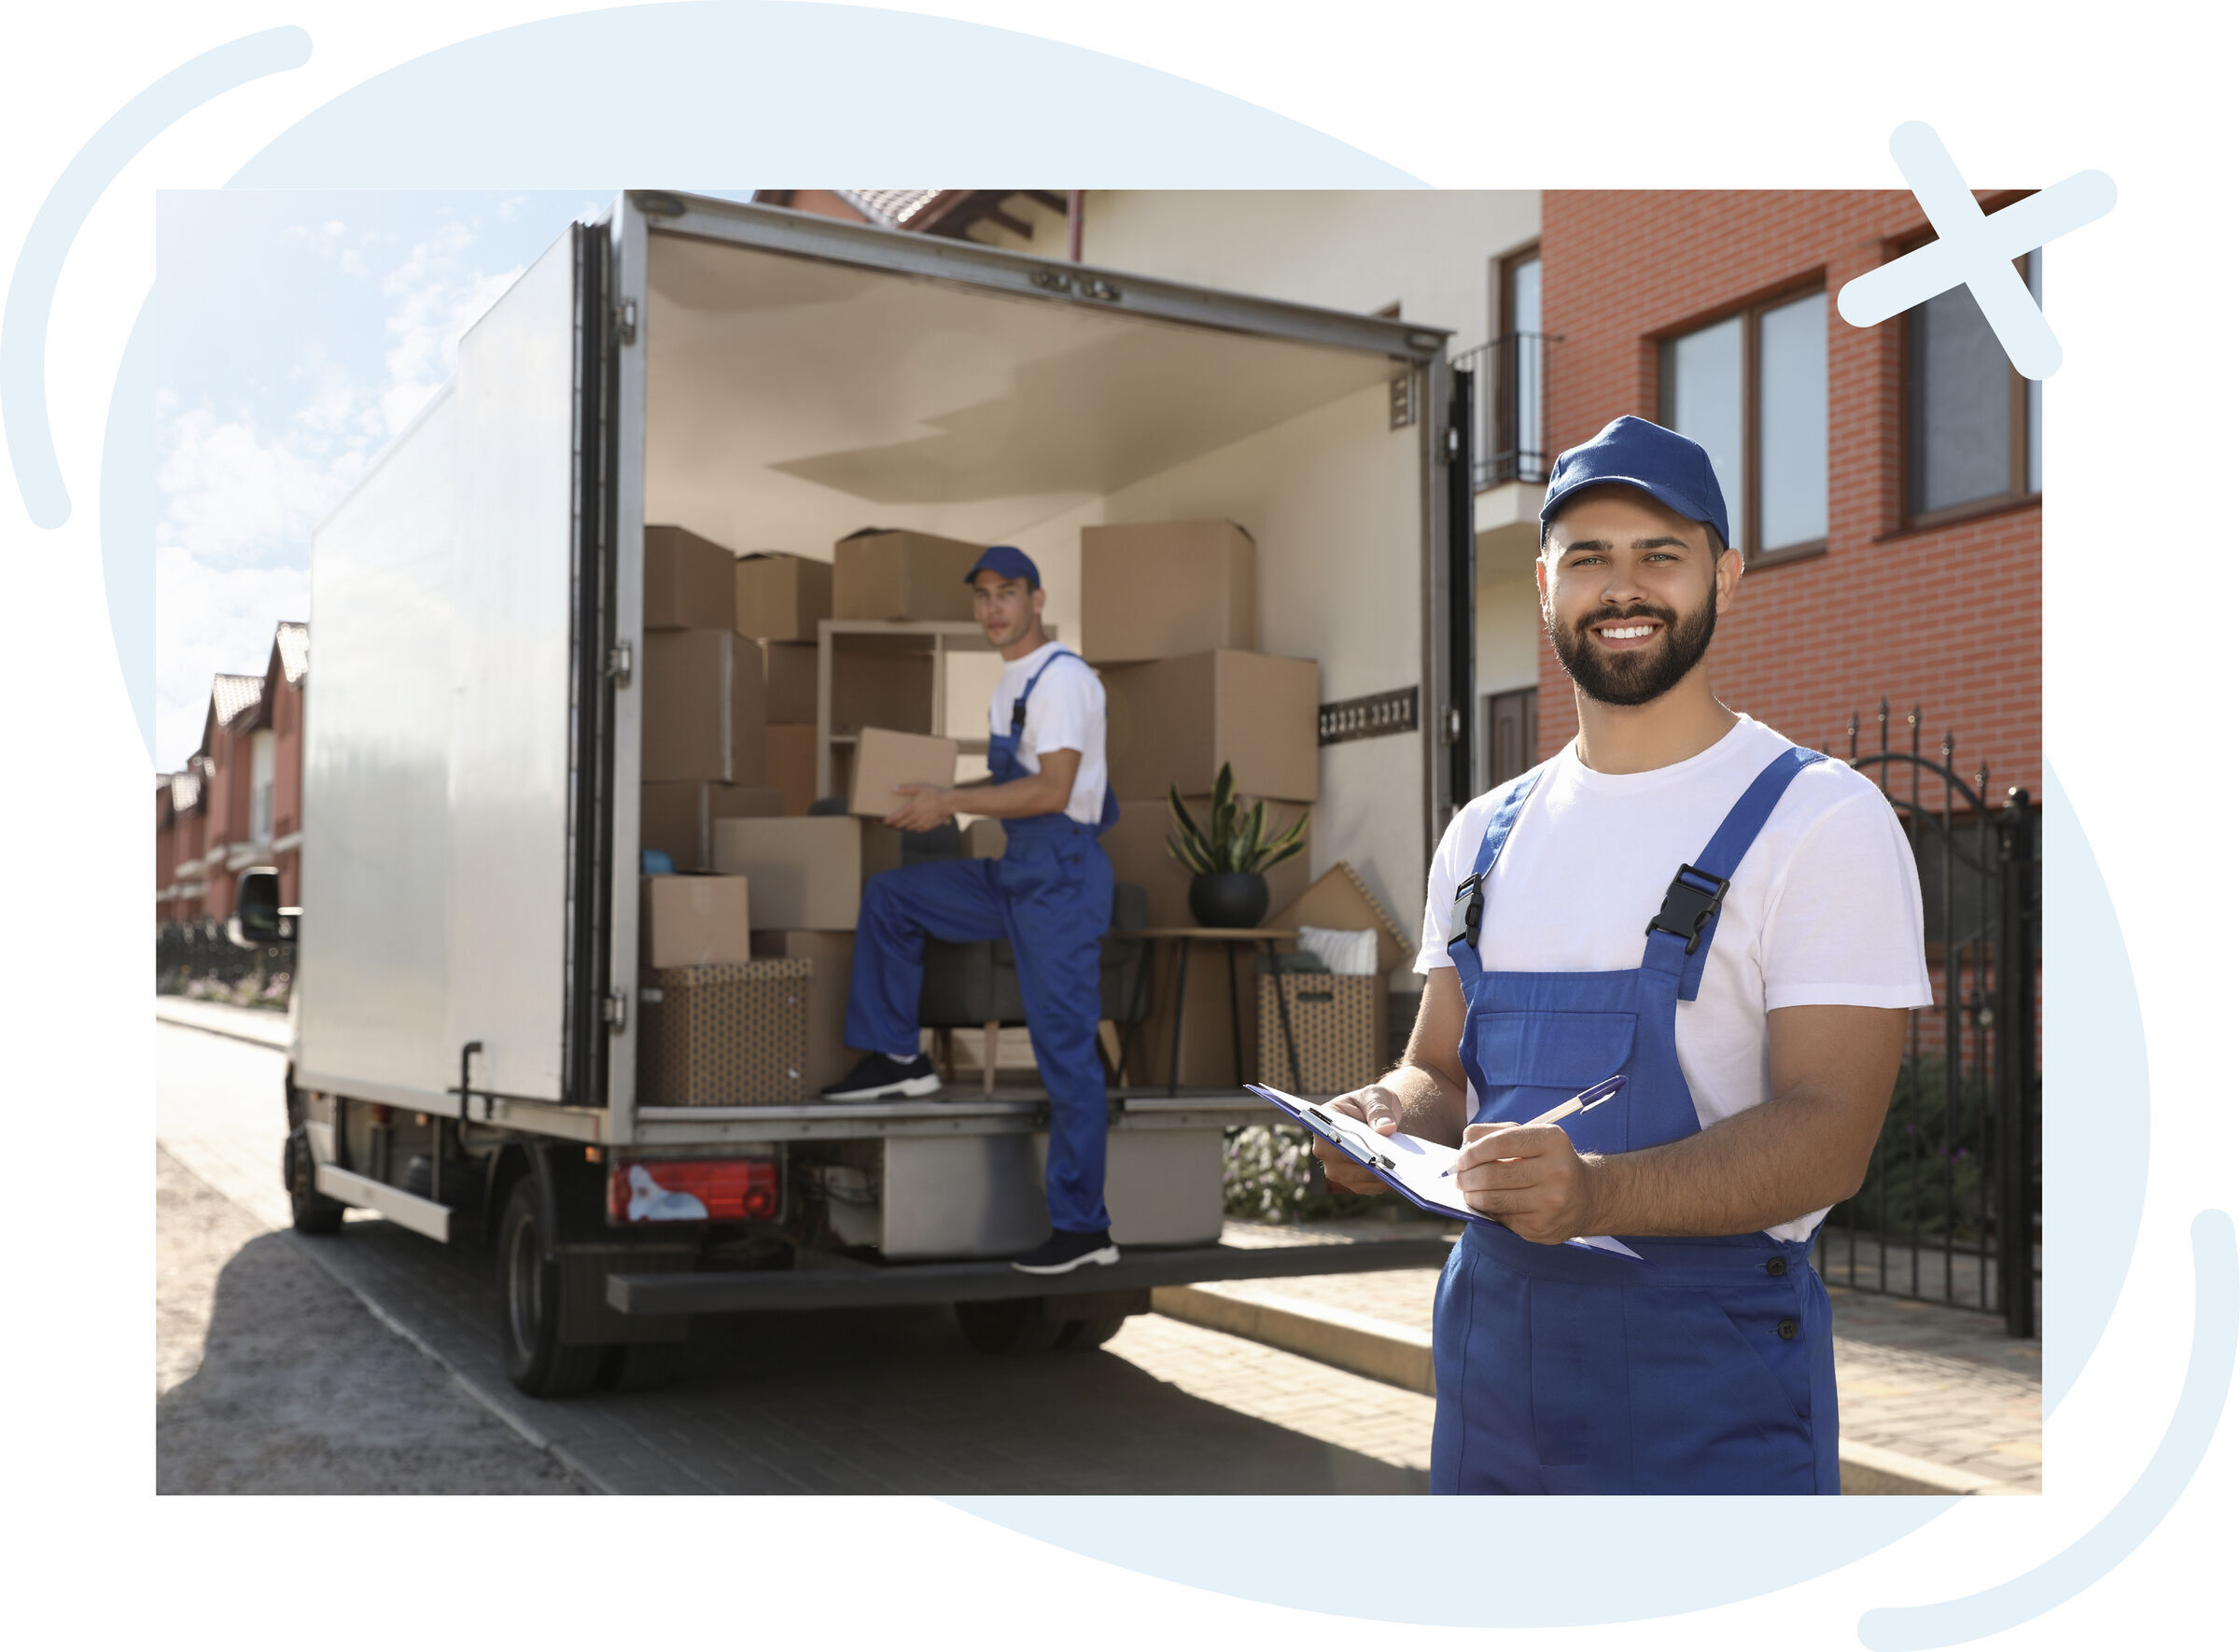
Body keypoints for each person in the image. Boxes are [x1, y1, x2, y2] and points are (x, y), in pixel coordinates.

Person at [1313, 415, 1932, 1493]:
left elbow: (1833, 1134)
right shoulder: (1483, 835)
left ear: (1725, 578)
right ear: (1548, 583)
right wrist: (1385, 1117)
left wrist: (1595, 1197)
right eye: (1590, 557)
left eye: (1661, 553)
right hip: (1492, 1371)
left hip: (1710, 1381)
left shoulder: (1817, 818)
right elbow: (1443, 1070)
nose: (1623, 586)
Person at [819, 545, 1124, 1276]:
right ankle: (898, 1055)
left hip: (1062, 872)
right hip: (1020, 866)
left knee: (1067, 1057)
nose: (993, 608)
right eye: (983, 596)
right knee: (893, 898)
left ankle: (1084, 1231)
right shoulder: (1008, 685)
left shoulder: (1064, 681)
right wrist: (940, 794)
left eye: (1007, 593)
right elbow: (1014, 782)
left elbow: (1053, 790)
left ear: (1037, 599)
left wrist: (950, 801)